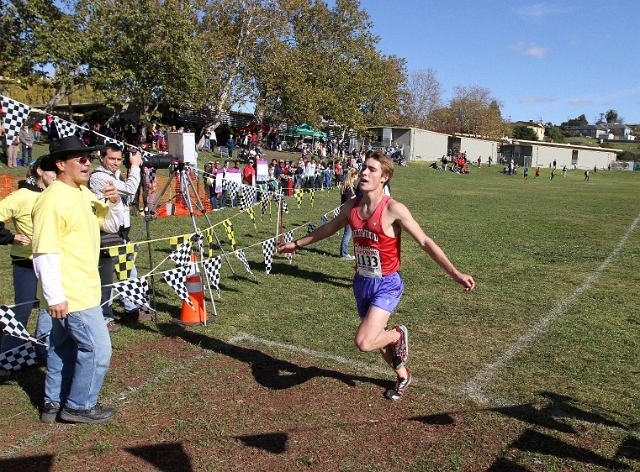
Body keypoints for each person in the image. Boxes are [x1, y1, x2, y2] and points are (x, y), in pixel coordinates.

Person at [278, 151, 475, 400]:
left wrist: (455, 273)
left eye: (372, 169)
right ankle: (403, 375)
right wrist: (298, 243)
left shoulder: (393, 209)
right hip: (361, 282)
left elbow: (424, 241)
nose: (364, 173)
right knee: (376, 342)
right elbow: (329, 228)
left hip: (387, 284)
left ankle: (398, 334)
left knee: (364, 341)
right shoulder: (351, 207)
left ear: (384, 177)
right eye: (364, 168)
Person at [32, 135, 126, 424]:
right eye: (80, 158)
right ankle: (79, 405)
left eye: (88, 157)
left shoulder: (83, 193)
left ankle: (53, 402)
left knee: (62, 347)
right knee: (98, 349)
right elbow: (43, 252)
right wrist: (56, 296)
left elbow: (110, 225)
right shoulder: (52, 201)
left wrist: (115, 202)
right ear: (60, 164)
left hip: (79, 287)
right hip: (72, 292)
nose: (88, 162)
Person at [0, 157, 56, 376]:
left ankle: (42, 349)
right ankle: (6, 357)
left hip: (51, 261)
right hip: (26, 263)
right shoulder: (22, 196)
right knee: (22, 309)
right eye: (51, 171)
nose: (55, 175)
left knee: (49, 306)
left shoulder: (55, 194)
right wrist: (9, 237)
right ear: (40, 171)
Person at [89, 143, 151, 331]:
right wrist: (135, 166)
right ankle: (105, 316)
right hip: (106, 233)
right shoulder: (99, 177)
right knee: (106, 278)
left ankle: (131, 309)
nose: (115, 163)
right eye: (111, 159)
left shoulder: (116, 176)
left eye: (118, 159)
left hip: (122, 234)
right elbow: (130, 189)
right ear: (102, 158)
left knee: (128, 273)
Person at [339, 167, 359, 260]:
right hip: (348, 213)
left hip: (348, 213)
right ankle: (344, 253)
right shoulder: (348, 188)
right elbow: (348, 201)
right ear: (354, 175)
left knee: (348, 233)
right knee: (348, 233)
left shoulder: (349, 186)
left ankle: (345, 252)